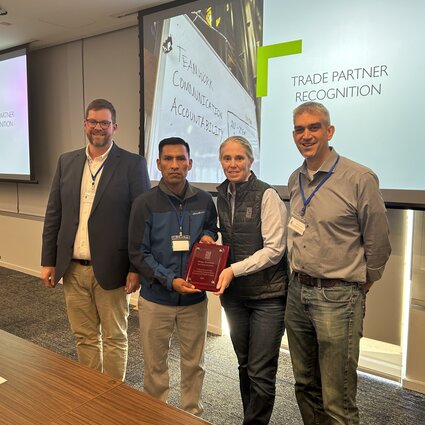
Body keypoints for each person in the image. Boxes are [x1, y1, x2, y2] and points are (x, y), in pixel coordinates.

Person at [286, 101, 391, 424]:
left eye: (314, 127)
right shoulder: (296, 178)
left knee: (338, 400)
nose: (307, 135)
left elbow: (378, 239)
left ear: (329, 131)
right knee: (305, 387)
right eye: (300, 129)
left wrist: (366, 279)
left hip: (339, 297)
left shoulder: (359, 178)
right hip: (298, 293)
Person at [40, 98, 150, 381]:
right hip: (72, 268)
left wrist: (136, 267)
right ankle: (93, 393)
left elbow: (141, 222)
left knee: (114, 337)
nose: (98, 127)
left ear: (115, 126)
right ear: (85, 125)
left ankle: (113, 398)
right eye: (92, 122)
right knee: (84, 337)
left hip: (112, 268)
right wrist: (48, 261)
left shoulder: (132, 164)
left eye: (104, 122)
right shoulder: (67, 161)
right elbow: (54, 214)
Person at [128, 137, 218, 416]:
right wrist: (169, 280)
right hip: (157, 298)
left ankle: (191, 415)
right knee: (155, 365)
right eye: (168, 159)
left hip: (194, 300)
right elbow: (138, 253)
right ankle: (156, 415)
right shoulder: (145, 203)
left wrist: (208, 235)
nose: (175, 165)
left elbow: (211, 230)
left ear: (190, 164)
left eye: (181, 159)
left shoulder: (204, 199)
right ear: (158, 164)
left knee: (194, 364)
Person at [214, 135, 289, 425]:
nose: (233, 164)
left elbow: (274, 250)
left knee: (260, 370)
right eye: (227, 158)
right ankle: (251, 418)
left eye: (239, 158)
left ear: (250, 161)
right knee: (245, 365)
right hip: (234, 297)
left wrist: (233, 270)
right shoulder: (220, 195)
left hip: (268, 297)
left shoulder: (266, 195)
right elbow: (225, 239)